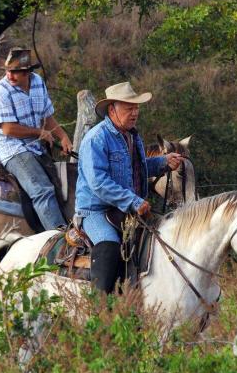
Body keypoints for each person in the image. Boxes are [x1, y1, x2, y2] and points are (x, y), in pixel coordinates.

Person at [76, 81, 183, 293]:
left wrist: (163, 162)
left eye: (136, 108)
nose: (134, 113)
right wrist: (133, 201)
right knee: (109, 246)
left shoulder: (132, 137)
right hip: (95, 211)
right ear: (112, 110)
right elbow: (98, 182)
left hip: (127, 210)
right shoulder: (96, 139)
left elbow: (137, 167)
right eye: (129, 108)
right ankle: (99, 308)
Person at [0, 48, 73, 230]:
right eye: (8, 71)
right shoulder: (0, 91)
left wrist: (63, 137)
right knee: (42, 189)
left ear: (27, 72)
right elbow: (8, 129)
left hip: (34, 144)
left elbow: (46, 117)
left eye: (15, 72)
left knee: (61, 185)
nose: (9, 76)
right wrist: (39, 133)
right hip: (11, 147)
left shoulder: (38, 83)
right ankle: (57, 238)